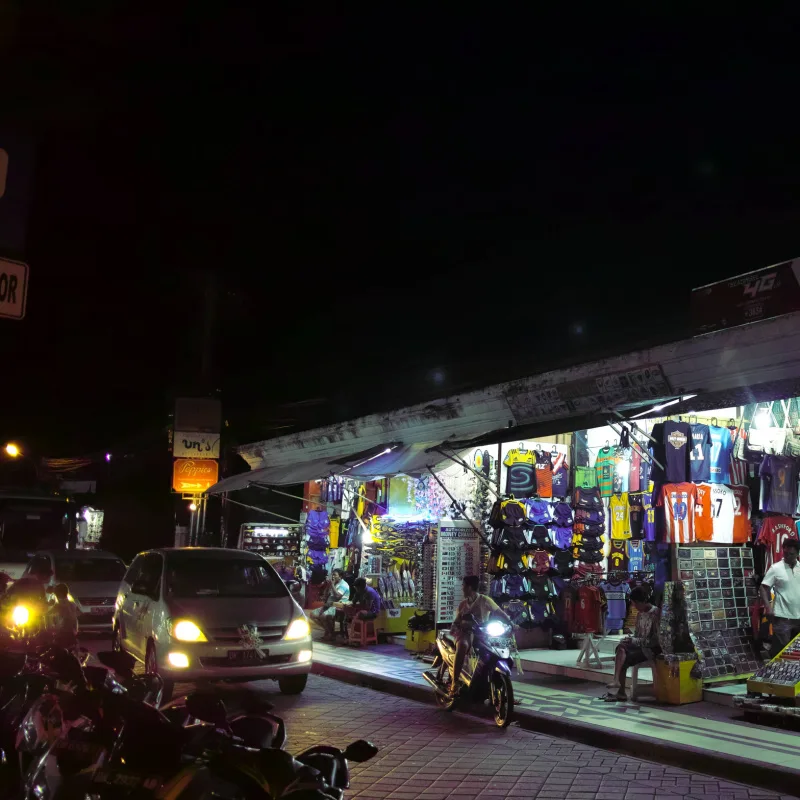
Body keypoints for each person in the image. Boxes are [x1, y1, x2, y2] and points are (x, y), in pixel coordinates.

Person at [448, 575, 513, 698]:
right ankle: (454, 683)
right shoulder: (463, 604)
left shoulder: (485, 600)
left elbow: (500, 612)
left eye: (463, 586)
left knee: (500, 652)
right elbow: (456, 621)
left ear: (469, 587)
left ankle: (503, 689)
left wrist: (510, 623)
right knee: (462, 646)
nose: (462, 588)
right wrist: (456, 627)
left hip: (484, 634)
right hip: (466, 634)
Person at [603, 586, 661, 701]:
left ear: (642, 601)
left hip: (652, 649)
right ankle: (617, 685)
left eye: (635, 603)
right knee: (621, 647)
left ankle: (619, 689)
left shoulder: (656, 614)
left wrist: (634, 640)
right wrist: (631, 639)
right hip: (640, 645)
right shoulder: (639, 615)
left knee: (623, 656)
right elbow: (638, 635)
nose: (634, 606)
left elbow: (656, 640)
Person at [760, 538, 800, 657]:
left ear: (798, 553)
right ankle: (775, 674)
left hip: (799, 617)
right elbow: (763, 588)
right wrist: (768, 607)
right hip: (782, 617)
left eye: (791, 554)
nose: (787, 556)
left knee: (796, 653)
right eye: (785, 553)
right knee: (780, 653)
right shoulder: (776, 568)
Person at [309, 569, 350, 641]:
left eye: (335, 575)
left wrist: (332, 585)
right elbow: (326, 595)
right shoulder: (334, 583)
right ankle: (329, 631)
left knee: (323, 616)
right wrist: (328, 587)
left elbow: (337, 596)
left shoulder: (344, 585)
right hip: (328, 605)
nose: (333, 576)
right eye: (332, 575)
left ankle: (331, 633)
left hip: (337, 606)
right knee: (313, 614)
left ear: (340, 576)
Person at [48, 583, 80, 649]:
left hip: (63, 632)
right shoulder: (73, 604)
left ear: (59, 594)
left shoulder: (59, 605)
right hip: (73, 631)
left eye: (56, 595)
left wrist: (47, 605)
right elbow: (77, 614)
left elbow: (48, 613)